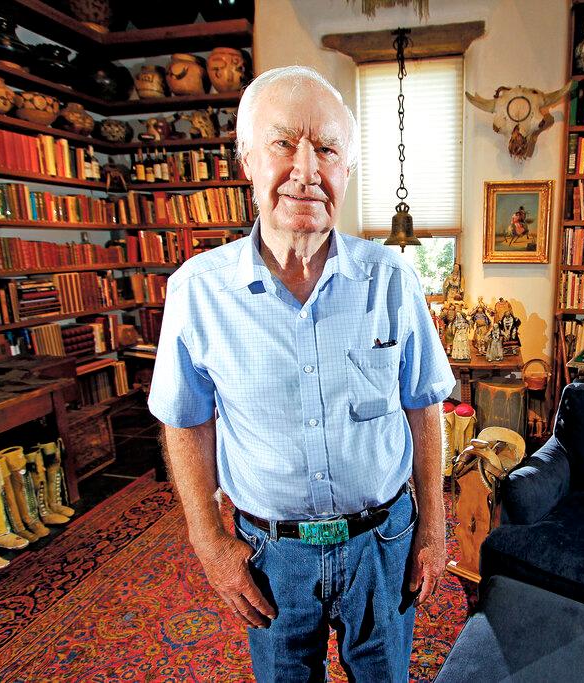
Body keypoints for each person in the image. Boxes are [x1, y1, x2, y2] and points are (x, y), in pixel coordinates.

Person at [147, 65, 455, 682]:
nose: (306, 171)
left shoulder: (393, 281)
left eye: (328, 149)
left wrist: (434, 525)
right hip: (271, 553)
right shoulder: (197, 292)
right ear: (246, 161)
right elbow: (186, 423)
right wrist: (210, 544)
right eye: (284, 143)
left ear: (346, 170)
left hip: (384, 543)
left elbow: (424, 405)